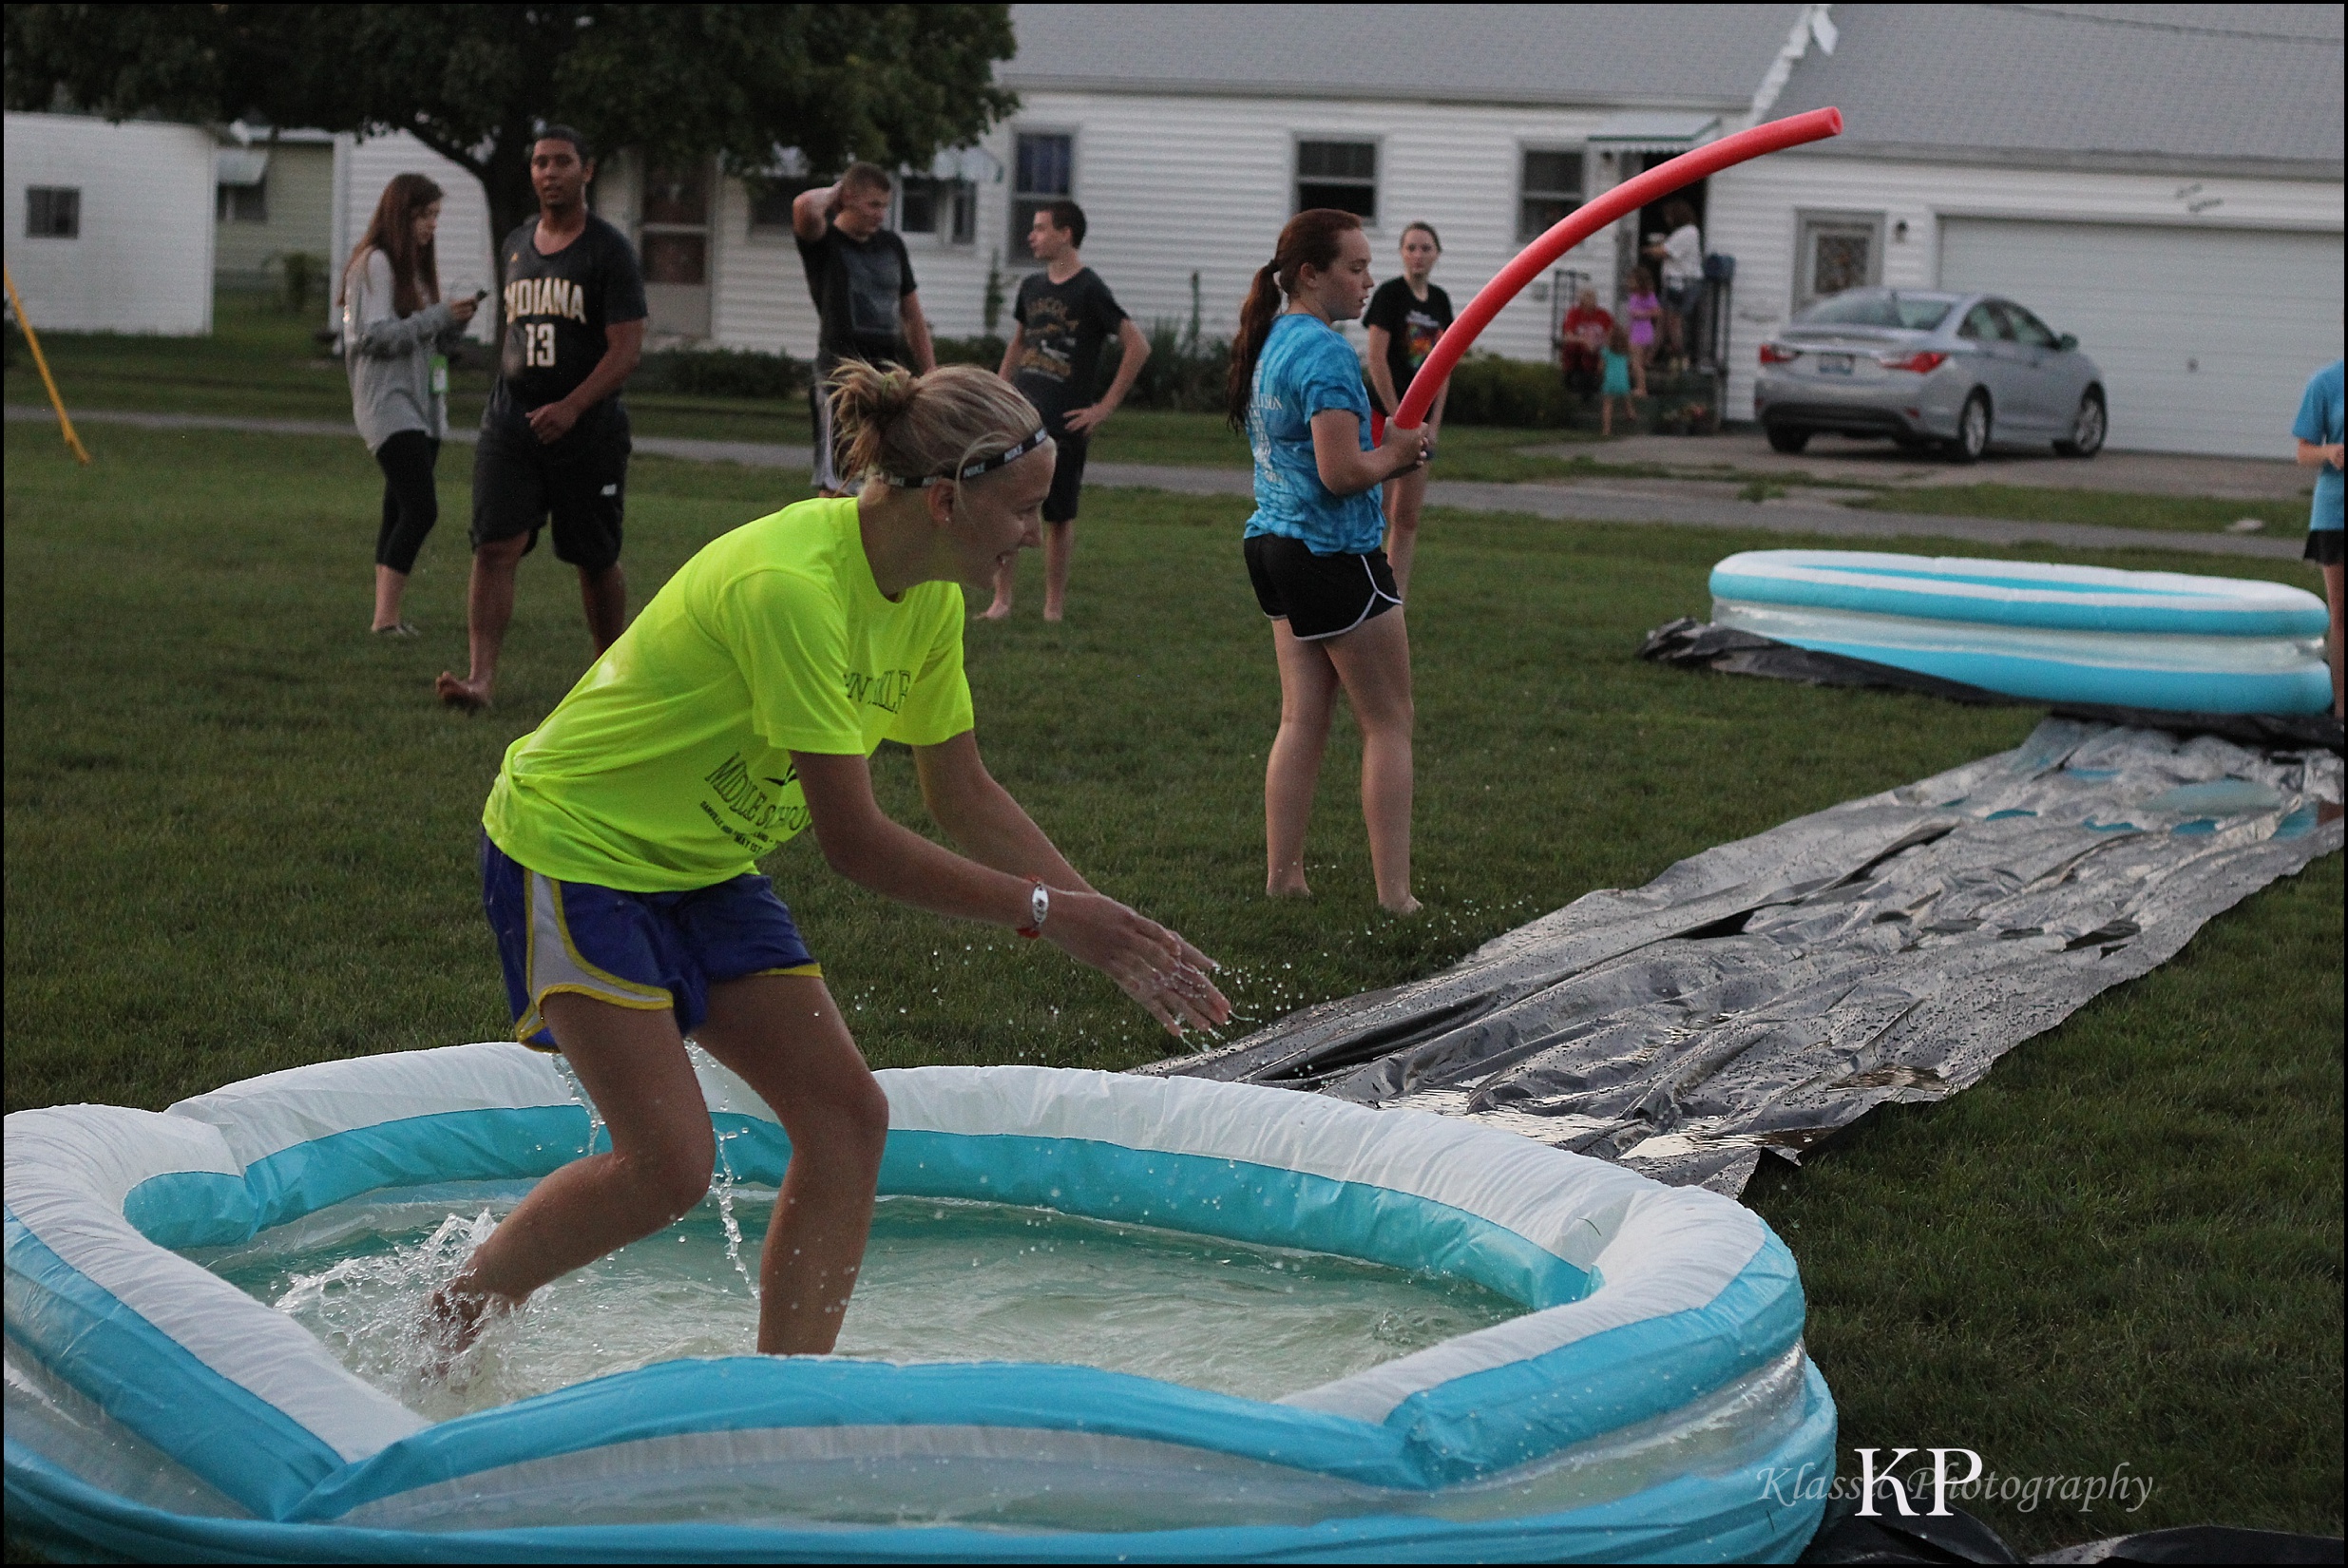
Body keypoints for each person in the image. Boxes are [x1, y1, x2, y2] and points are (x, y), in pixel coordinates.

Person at [432, 362, 1231, 1360]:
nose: (1035, 530)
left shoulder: (929, 591)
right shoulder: (795, 589)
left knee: (848, 1120)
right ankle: (450, 1316)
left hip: (702, 861)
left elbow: (960, 794)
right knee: (667, 1167)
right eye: (1023, 508)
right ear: (944, 500)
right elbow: (855, 844)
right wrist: (1044, 911)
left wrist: (1102, 923)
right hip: (575, 846)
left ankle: (786, 1399)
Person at [1228, 210, 1429, 914]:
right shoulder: (1326, 356)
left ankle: (1284, 880)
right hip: (1330, 551)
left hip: (1273, 547)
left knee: (1301, 720)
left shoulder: (1273, 340)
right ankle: (1395, 898)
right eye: (1353, 267)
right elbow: (1341, 472)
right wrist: (1400, 454)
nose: (1368, 280)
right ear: (1310, 274)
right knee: (1388, 722)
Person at [438, 126, 645, 711]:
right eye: (539, 163)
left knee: (594, 556)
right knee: (494, 546)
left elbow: (626, 350)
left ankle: (610, 680)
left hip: (589, 429)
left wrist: (574, 406)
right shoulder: (515, 244)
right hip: (512, 424)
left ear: (588, 171)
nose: (548, 173)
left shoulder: (609, 251)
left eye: (561, 162)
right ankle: (480, 680)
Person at [984, 200, 1149, 621]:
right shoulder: (1031, 288)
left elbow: (1137, 345)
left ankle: (1053, 607)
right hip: (1021, 417)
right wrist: (999, 394)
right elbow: (1020, 342)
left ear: (1066, 234)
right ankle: (1001, 601)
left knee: (1058, 515)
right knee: (1011, 508)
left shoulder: (1090, 289)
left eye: (1040, 228)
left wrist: (1104, 407)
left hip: (1065, 422)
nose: (1031, 236)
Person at [339, 173, 476, 637]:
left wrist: (453, 323)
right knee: (421, 508)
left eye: (436, 215)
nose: (431, 225)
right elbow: (374, 337)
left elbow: (423, 334)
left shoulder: (415, 270)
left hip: (423, 404)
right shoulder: (373, 264)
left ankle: (384, 619)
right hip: (387, 403)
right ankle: (386, 618)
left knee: (398, 508)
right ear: (401, 214)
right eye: (424, 215)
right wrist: (436, 316)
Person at [792, 163, 937, 496]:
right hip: (841, 374)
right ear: (847, 199)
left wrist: (930, 372)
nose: (881, 215)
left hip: (888, 372)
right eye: (873, 205)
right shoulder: (824, 243)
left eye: (885, 206)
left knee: (885, 473)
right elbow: (803, 206)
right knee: (840, 477)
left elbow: (912, 316)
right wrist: (834, 192)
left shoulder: (891, 246)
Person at [1362, 221, 1453, 598]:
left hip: (1420, 424)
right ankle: (1369, 589)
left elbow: (1443, 365)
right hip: (1386, 415)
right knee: (1377, 510)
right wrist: (1400, 416)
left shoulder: (1439, 301)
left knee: (1408, 514)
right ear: (1401, 252)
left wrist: (1433, 422)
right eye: (1412, 247)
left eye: (1426, 248)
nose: (1418, 255)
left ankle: (1395, 594)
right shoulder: (1389, 295)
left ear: (1437, 254)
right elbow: (1377, 359)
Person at [2294, 356, 2344, 721]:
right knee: (2341, 615)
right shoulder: (2325, 383)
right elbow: (2303, 452)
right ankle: (2342, 708)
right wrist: (2330, 452)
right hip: (2335, 514)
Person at [1648, 201, 1704, 368]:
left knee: (1674, 321)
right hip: (1674, 283)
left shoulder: (1688, 232)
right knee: (1663, 320)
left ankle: (1681, 356)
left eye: (1669, 216)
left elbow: (1666, 251)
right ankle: (1651, 357)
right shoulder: (1684, 233)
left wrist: (1649, 249)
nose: (1667, 219)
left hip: (1680, 284)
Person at [1558, 286, 1613, 399]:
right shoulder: (1574, 313)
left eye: (1593, 298)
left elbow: (1611, 336)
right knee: (1577, 353)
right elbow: (1568, 336)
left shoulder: (1603, 315)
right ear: (1581, 301)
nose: (1592, 301)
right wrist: (1585, 341)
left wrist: (1601, 348)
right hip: (1579, 353)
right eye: (1588, 298)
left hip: (1598, 351)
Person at [1623, 267, 1661, 397]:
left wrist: (1642, 314)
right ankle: (1634, 385)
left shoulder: (1649, 296)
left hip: (1642, 331)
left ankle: (1641, 388)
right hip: (1635, 330)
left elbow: (1657, 312)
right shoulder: (1634, 296)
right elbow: (1631, 318)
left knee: (1636, 362)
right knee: (1634, 361)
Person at [1599, 321, 1638, 438]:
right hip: (1623, 380)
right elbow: (1630, 365)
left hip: (1610, 380)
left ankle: (1606, 430)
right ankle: (1630, 412)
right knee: (1626, 396)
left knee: (1607, 404)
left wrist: (1602, 372)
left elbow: (1600, 367)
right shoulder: (1625, 352)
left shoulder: (1606, 351)